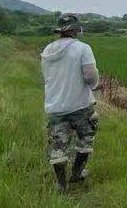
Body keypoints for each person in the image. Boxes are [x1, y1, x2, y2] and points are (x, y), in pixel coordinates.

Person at [41, 13, 99, 191]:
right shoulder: (83, 48)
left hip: (55, 107)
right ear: (75, 30)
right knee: (85, 138)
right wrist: (96, 85)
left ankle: (61, 184)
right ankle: (76, 173)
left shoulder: (47, 50)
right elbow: (90, 76)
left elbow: (47, 77)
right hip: (79, 105)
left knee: (58, 146)